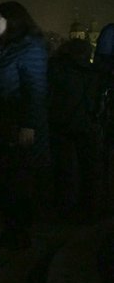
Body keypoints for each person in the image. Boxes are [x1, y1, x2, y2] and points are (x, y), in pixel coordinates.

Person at [0, 1, 48, 250]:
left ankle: (19, 234)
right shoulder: (1, 47)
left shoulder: (30, 47)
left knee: (17, 182)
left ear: (14, 20)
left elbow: (36, 89)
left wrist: (29, 125)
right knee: (3, 181)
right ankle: (10, 230)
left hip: (16, 123)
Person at [48, 38, 104, 221]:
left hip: (62, 125)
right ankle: (90, 209)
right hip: (88, 124)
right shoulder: (94, 72)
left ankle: (65, 208)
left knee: (64, 170)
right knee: (90, 170)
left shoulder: (56, 68)